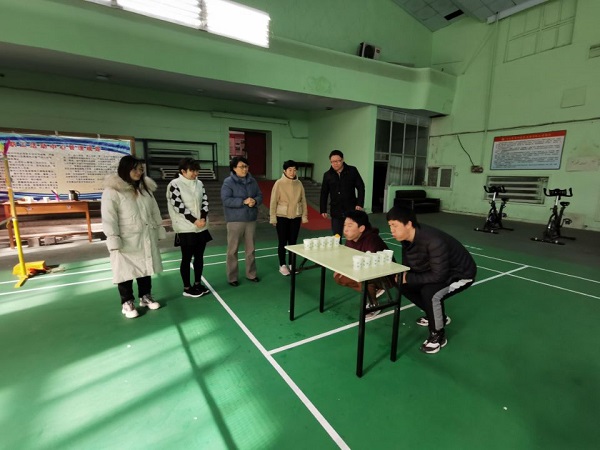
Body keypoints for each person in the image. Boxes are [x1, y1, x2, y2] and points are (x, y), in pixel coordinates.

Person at [386, 206, 477, 354]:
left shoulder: (434, 241)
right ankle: (436, 316)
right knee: (402, 284)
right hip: (438, 270)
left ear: (408, 224)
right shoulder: (407, 238)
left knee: (430, 293)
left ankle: (438, 335)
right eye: (390, 226)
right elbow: (410, 262)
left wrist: (409, 277)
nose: (392, 230)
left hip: (461, 274)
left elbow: (439, 276)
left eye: (395, 225)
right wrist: (404, 275)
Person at [101, 155, 165, 319]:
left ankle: (145, 296)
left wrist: (159, 229)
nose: (139, 172)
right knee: (124, 271)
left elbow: (155, 211)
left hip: (145, 235)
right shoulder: (112, 191)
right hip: (126, 239)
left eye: (141, 169)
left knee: (146, 267)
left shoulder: (145, 190)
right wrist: (113, 238)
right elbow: (109, 218)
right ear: (125, 169)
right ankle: (127, 302)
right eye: (135, 169)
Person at [167, 157, 213, 298]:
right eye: (192, 170)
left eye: (197, 170)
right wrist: (194, 220)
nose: (195, 173)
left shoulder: (199, 183)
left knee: (199, 257)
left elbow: (205, 201)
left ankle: (197, 284)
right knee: (186, 258)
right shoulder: (174, 184)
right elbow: (178, 206)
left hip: (201, 227)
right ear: (183, 171)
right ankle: (187, 288)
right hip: (186, 228)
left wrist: (203, 218)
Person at [333, 210, 392, 319]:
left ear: (361, 228)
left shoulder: (372, 240)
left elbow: (372, 268)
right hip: (363, 270)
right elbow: (347, 258)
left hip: (385, 275)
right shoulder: (350, 239)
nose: (345, 229)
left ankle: (374, 304)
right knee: (338, 277)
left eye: (350, 226)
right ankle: (373, 290)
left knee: (363, 280)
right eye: (345, 225)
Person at [221, 156, 263, 286]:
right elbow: (226, 200)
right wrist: (243, 201)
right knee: (232, 250)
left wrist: (255, 201)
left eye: (246, 166)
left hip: (250, 220)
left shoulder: (252, 181)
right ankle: (232, 277)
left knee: (251, 250)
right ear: (234, 168)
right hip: (235, 221)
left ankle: (251, 274)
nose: (244, 169)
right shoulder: (228, 182)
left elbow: (260, 195)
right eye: (241, 167)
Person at [269, 160, 308, 276]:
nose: (292, 172)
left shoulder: (299, 184)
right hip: (282, 216)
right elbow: (273, 201)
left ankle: (292, 264)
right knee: (282, 241)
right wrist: (273, 218)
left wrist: (304, 216)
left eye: (294, 170)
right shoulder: (279, 183)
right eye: (290, 170)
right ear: (284, 171)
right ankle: (282, 265)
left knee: (293, 242)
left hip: (296, 216)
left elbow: (303, 201)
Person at [320, 149, 365, 237]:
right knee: (336, 236)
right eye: (333, 162)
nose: (335, 164)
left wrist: (360, 203)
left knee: (352, 235)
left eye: (338, 161)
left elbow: (361, 187)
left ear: (343, 160)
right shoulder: (327, 175)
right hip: (336, 210)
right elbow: (324, 193)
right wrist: (323, 209)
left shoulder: (352, 170)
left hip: (351, 209)